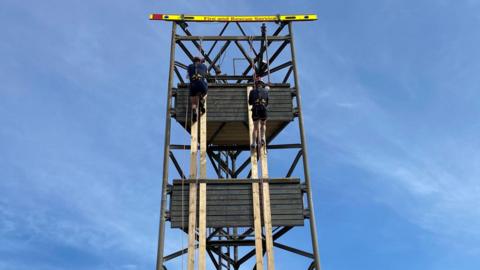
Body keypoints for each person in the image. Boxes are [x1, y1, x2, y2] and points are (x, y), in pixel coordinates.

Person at [248, 76, 269, 150]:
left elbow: (250, 103)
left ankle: (254, 143)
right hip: (263, 108)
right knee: (263, 124)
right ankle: (262, 138)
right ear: (262, 84)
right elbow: (267, 102)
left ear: (256, 84)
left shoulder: (252, 91)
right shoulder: (266, 91)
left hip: (256, 108)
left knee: (255, 127)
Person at [187, 56, 208, 122]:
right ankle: (202, 99)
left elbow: (187, 76)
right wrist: (202, 63)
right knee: (204, 91)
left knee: (193, 99)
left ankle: (194, 110)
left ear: (193, 61)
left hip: (193, 85)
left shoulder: (190, 66)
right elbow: (206, 74)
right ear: (199, 60)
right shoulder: (204, 66)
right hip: (202, 85)